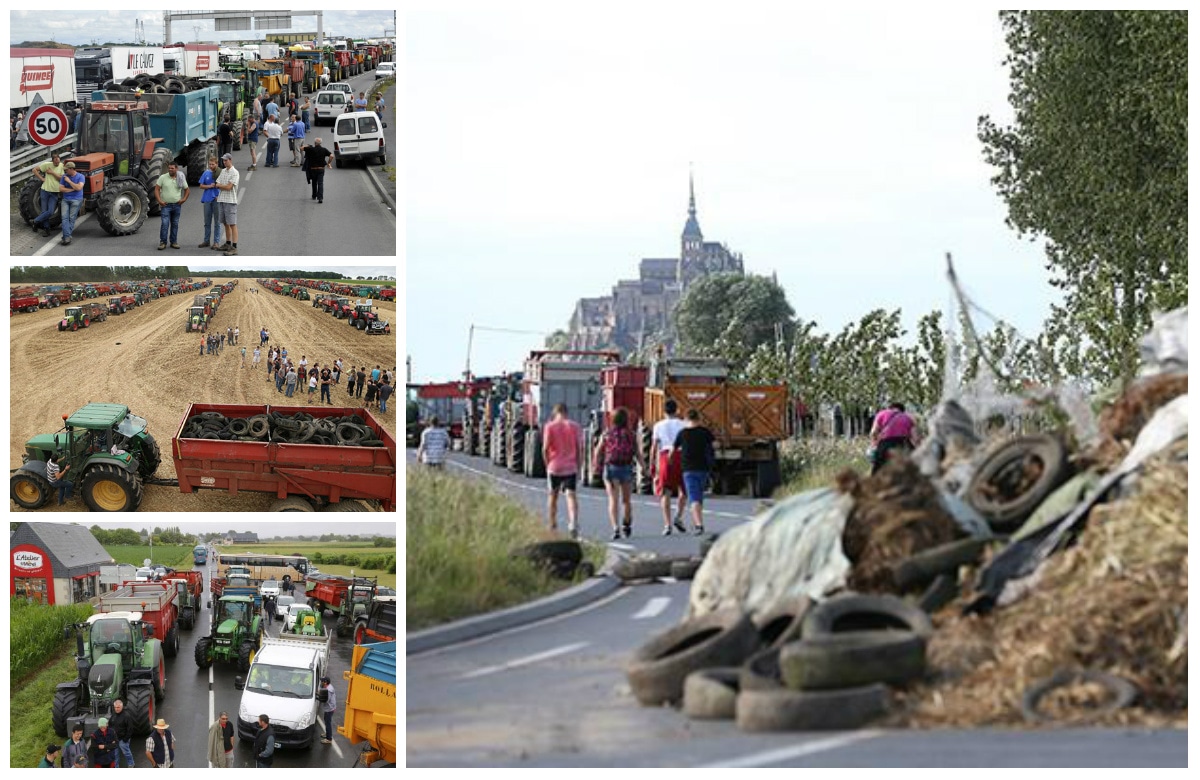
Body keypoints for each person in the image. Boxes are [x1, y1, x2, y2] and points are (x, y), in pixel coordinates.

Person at [592, 407, 644, 540]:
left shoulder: (607, 434)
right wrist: (644, 467)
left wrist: (596, 467)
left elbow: (598, 452)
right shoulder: (631, 434)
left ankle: (615, 528)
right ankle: (627, 523)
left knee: (613, 500)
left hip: (611, 467)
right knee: (626, 500)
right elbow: (637, 453)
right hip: (626, 467)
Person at [541, 403, 582, 535]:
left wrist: (547, 464)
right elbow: (579, 448)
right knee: (571, 496)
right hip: (570, 466)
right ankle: (573, 522)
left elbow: (545, 448)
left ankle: (552, 524)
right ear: (566, 412)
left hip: (554, 466)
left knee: (553, 496)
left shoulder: (550, 426)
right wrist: (579, 466)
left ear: (555, 412)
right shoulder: (575, 426)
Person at [652, 399, 688, 535]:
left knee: (665, 492)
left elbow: (654, 447)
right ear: (677, 410)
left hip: (665, 457)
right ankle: (678, 516)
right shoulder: (683, 425)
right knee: (683, 490)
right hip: (681, 455)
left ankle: (667, 525)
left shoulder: (658, 426)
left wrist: (652, 465)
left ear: (664, 411)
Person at [675, 409, 715, 535]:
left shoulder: (682, 433)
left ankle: (699, 525)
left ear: (686, 419)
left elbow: (673, 449)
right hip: (703, 468)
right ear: (699, 418)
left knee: (694, 498)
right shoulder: (705, 432)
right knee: (698, 495)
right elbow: (715, 445)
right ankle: (697, 520)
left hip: (688, 468)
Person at [869, 401, 918, 474]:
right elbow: (917, 439)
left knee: (877, 473)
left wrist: (874, 444)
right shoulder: (908, 418)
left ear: (889, 408)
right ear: (902, 411)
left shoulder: (882, 413)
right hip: (904, 445)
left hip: (885, 444)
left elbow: (873, 433)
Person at [154, 162, 189, 250]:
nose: (170, 170)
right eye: (169, 168)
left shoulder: (180, 178)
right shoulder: (163, 177)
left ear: (176, 169)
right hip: (165, 205)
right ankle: (163, 242)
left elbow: (187, 190)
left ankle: (173, 242)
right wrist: (159, 201)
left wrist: (183, 199)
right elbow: (157, 189)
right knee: (165, 224)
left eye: (172, 168)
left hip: (177, 205)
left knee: (175, 224)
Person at [31, 152, 65, 236]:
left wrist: (52, 172)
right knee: (44, 211)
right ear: (52, 161)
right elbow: (34, 170)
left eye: (58, 161)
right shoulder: (46, 164)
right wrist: (41, 178)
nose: (57, 163)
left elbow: (61, 178)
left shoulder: (61, 166)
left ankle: (35, 221)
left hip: (54, 193)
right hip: (45, 191)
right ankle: (47, 229)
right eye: (55, 162)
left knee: (50, 212)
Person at [215, 153, 240, 255]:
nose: (224, 162)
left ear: (230, 160)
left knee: (232, 224)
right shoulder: (223, 171)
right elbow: (217, 184)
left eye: (226, 160)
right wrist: (222, 185)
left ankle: (234, 246)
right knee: (225, 223)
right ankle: (227, 243)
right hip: (222, 199)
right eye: (223, 160)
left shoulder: (235, 173)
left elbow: (229, 187)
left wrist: (221, 185)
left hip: (230, 201)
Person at [58, 161, 85, 246]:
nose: (65, 171)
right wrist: (72, 189)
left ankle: (66, 237)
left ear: (71, 169)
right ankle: (67, 236)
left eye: (67, 170)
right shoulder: (64, 176)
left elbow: (79, 187)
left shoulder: (81, 177)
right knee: (64, 218)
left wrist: (69, 182)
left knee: (71, 218)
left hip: (76, 200)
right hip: (66, 199)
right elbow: (61, 189)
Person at [197, 157, 223, 249]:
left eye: (213, 164)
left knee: (217, 222)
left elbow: (224, 186)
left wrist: (220, 195)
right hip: (207, 199)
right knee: (207, 222)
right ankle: (206, 240)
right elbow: (201, 185)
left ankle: (216, 242)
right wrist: (209, 186)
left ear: (217, 164)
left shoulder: (221, 173)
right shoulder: (206, 173)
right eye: (210, 164)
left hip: (217, 199)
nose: (211, 166)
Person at [301, 138, 332, 203]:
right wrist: (329, 163)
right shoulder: (324, 149)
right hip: (321, 169)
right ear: (320, 143)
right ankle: (320, 198)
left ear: (315, 143)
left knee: (314, 182)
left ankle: (314, 195)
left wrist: (308, 146)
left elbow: (301, 148)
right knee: (320, 183)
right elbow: (331, 155)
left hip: (313, 169)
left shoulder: (311, 149)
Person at [110, 699, 135, 768]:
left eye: (118, 707)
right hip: (115, 739)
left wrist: (125, 739)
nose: (116, 709)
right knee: (115, 754)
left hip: (122, 739)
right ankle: (116, 766)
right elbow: (110, 725)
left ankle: (131, 764)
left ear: (122, 707)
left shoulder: (126, 716)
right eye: (115, 707)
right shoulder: (113, 715)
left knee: (126, 753)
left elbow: (130, 729)